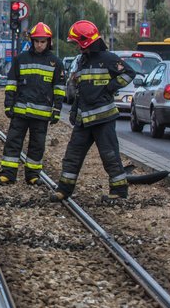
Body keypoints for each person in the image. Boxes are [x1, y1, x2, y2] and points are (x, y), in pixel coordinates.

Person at [51, 20, 136, 205]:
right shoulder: (82, 61)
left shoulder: (109, 58)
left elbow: (129, 73)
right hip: (83, 119)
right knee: (72, 155)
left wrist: (109, 88)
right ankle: (63, 190)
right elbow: (79, 90)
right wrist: (74, 110)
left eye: (76, 42)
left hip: (103, 119)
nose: (76, 47)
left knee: (110, 156)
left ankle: (119, 191)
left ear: (85, 41)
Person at [0, 22, 65, 186]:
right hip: (20, 112)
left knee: (37, 146)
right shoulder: (20, 59)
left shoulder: (56, 63)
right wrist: (8, 104)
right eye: (37, 41)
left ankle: (33, 176)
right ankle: (7, 175)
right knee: (12, 142)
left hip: (41, 115)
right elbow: (11, 84)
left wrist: (57, 110)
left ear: (48, 42)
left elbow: (59, 89)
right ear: (32, 41)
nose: (39, 45)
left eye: (43, 41)